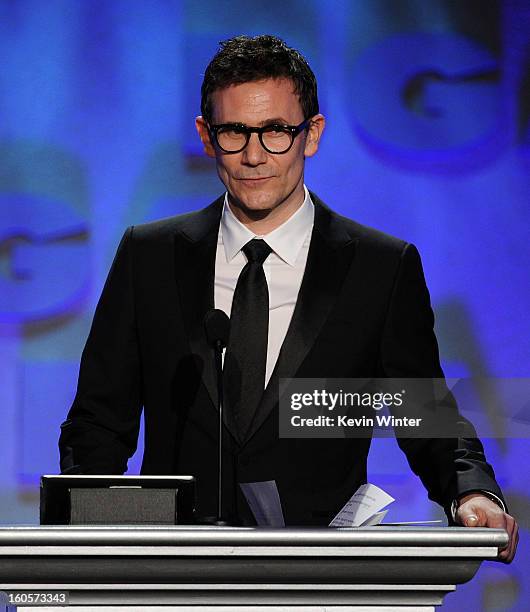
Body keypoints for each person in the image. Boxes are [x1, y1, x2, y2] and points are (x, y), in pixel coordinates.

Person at [59, 34, 517, 561]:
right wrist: (80, 543)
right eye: (234, 131)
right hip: (175, 570)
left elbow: (427, 414)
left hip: (319, 575)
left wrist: (472, 491)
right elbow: (99, 422)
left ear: (312, 134)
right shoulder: (150, 256)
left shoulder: (379, 268)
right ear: (206, 137)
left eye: (276, 131)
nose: (254, 155)